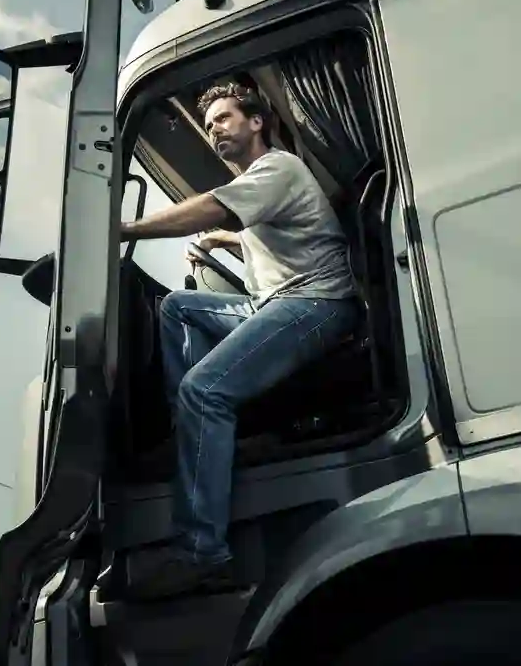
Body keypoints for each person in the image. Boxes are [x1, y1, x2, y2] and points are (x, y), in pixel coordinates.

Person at [118, 81, 360, 600]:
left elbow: (215, 207)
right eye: (209, 125)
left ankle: (202, 553)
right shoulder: (262, 184)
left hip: (318, 303)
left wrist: (127, 229)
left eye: (224, 118)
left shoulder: (276, 167)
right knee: (179, 307)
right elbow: (250, 228)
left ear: (256, 122)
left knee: (204, 389)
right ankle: (195, 435)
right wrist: (223, 241)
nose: (214, 130)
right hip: (273, 301)